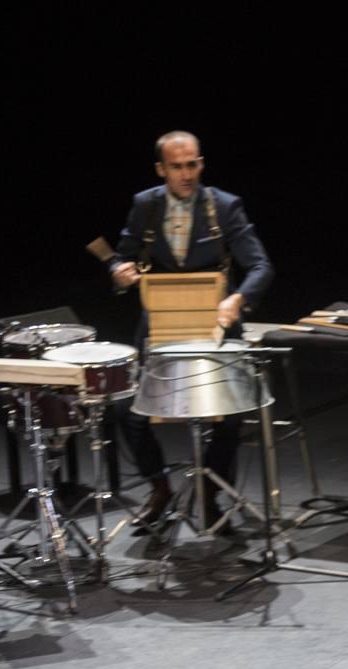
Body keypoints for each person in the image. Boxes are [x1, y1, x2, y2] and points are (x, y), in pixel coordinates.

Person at [109, 130, 274, 532]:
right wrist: (119, 272)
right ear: (161, 169)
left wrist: (238, 299)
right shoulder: (145, 206)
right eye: (177, 166)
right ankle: (160, 489)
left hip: (216, 323)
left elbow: (260, 266)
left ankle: (209, 492)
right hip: (163, 326)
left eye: (193, 164)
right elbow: (122, 256)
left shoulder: (224, 206)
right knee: (128, 410)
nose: (187, 174)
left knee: (231, 415)